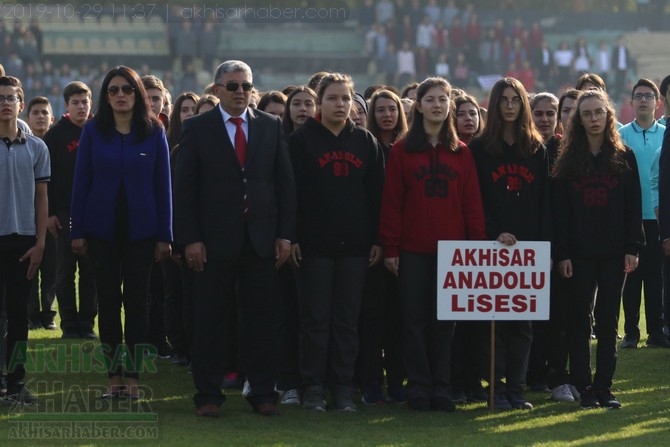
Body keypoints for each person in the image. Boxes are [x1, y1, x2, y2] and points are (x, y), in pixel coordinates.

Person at [173, 60, 296, 418]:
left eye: (246, 85)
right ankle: (208, 394)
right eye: (232, 86)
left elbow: (284, 185)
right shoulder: (197, 128)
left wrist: (285, 236)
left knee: (261, 320)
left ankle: (262, 392)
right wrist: (190, 239)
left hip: (260, 242)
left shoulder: (271, 126)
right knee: (211, 320)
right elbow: (185, 190)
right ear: (217, 90)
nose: (240, 92)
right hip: (212, 243)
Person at [379, 77, 486, 412]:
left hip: (454, 253)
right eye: (430, 99)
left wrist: (477, 245)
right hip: (412, 251)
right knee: (413, 322)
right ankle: (419, 388)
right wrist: (391, 247)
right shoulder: (401, 151)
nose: (437, 105)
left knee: (445, 324)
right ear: (418, 105)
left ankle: (442, 386)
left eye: (443, 99)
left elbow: (472, 203)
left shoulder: (462, 152)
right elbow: (392, 202)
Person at [70, 66, 172, 400]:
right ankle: (113, 377)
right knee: (110, 305)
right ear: (105, 96)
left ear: (137, 93)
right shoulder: (92, 131)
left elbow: (163, 187)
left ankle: (134, 378)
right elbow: (81, 183)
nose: (120, 95)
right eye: (113, 90)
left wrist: (164, 235)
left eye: (127, 89)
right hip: (100, 233)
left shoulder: (154, 131)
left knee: (138, 305)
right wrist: (78, 230)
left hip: (142, 233)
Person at [289, 73, 384, 413]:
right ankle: (313, 386)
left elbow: (376, 196)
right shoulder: (301, 141)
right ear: (319, 101)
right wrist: (293, 237)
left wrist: (376, 239)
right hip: (313, 246)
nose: (341, 104)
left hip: (356, 248)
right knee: (314, 319)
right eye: (333, 98)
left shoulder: (365, 141)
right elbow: (290, 195)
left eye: (346, 98)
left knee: (346, 321)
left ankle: (342, 387)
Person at [553, 89, 642, 408]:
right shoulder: (568, 159)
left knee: (607, 321)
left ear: (609, 115)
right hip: (578, 254)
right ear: (578, 119)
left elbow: (634, 206)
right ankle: (583, 385)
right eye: (586, 114)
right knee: (579, 320)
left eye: (598, 113)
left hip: (615, 252)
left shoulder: (624, 155)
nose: (593, 119)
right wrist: (562, 252)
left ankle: (604, 387)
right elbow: (560, 212)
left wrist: (633, 247)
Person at [469, 77, 549, 411]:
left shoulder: (536, 148)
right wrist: (494, 233)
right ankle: (496, 387)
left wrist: (540, 243)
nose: (511, 105)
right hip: (493, 245)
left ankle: (516, 388)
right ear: (495, 104)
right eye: (504, 100)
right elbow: (476, 200)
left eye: (516, 99)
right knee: (494, 323)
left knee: (523, 323)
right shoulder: (479, 149)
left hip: (529, 248)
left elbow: (545, 201)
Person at [0, 75, 49, 406]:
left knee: (19, 315)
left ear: (21, 103)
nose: (5, 102)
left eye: (10, 98)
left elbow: (42, 199)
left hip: (24, 241)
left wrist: (41, 243)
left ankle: (16, 383)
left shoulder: (37, 147)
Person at [357, 88, 408, 405]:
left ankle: (399, 382)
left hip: (406, 247)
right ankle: (371, 383)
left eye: (393, 109)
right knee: (372, 320)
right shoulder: (366, 146)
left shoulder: (408, 148)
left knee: (400, 321)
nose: (387, 114)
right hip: (373, 245)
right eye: (381, 109)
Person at [44, 81, 98, 340]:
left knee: (91, 273)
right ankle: (69, 326)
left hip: (94, 214)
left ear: (91, 104)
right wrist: (50, 213)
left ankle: (87, 325)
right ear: (66, 105)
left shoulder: (99, 131)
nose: (80, 107)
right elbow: (46, 178)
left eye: (84, 102)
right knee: (64, 273)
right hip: (63, 214)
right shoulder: (55, 135)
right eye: (75, 103)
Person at [619, 78, 669, 348]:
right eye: (638, 95)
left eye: (648, 96)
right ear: (631, 102)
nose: (643, 100)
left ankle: (657, 331)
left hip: (658, 217)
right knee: (631, 277)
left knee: (655, 277)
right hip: (631, 216)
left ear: (658, 102)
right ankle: (631, 332)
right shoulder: (622, 135)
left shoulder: (666, 135)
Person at [25, 96, 57, 331]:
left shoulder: (56, 145)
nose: (40, 116)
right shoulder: (22, 145)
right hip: (26, 217)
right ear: (28, 118)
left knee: (52, 269)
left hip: (53, 216)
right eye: (35, 112)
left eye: (44, 112)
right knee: (29, 267)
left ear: (52, 118)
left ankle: (48, 314)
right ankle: (31, 314)